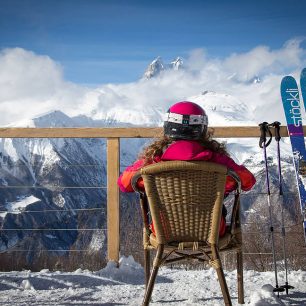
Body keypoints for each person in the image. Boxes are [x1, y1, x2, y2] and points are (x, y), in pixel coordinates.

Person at [118, 101, 256, 236]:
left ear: (168, 126)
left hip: (163, 231)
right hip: (211, 231)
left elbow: (124, 184)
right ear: (202, 129)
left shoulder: (153, 161)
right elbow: (248, 182)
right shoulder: (218, 161)